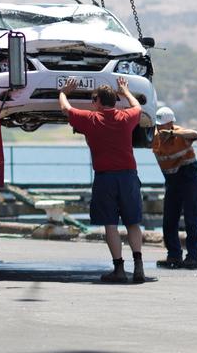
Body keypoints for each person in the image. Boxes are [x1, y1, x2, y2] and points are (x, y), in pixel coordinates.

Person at [59, 77, 145, 283]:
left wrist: (64, 91)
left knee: (110, 225)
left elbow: (65, 108)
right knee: (133, 223)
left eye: (93, 99)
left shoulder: (91, 119)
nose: (91, 103)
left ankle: (119, 269)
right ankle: (139, 266)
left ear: (98, 101)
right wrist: (125, 91)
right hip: (128, 177)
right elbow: (138, 107)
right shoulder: (126, 118)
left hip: (105, 178)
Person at [152, 106, 197, 270]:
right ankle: (174, 255)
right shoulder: (153, 138)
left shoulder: (181, 134)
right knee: (169, 221)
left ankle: (192, 258)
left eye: (163, 126)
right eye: (158, 126)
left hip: (189, 177)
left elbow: (195, 133)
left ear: (171, 124)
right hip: (172, 180)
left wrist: (173, 134)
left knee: (191, 219)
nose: (160, 129)